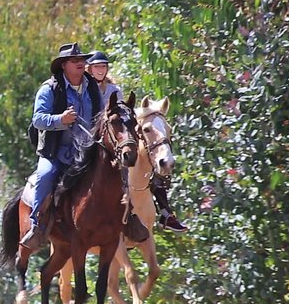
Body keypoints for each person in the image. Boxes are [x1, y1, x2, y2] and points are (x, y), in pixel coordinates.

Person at [86, 51, 188, 233]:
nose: (100, 70)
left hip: (115, 136)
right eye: (97, 67)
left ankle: (165, 213)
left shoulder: (114, 90)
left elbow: (122, 113)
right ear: (90, 69)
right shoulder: (84, 90)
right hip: (93, 136)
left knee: (148, 159)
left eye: (103, 66)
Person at [20, 43, 103, 250]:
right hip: (56, 151)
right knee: (45, 175)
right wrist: (60, 119)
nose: (81, 64)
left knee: (117, 169)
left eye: (83, 60)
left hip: (87, 152)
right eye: (75, 61)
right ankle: (37, 226)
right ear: (64, 65)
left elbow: (102, 115)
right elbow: (37, 120)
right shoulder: (49, 89)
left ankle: (130, 217)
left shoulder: (92, 87)